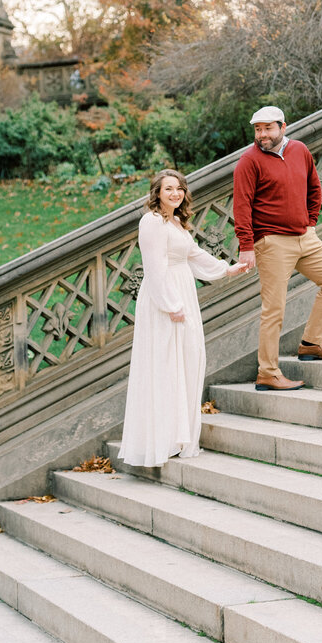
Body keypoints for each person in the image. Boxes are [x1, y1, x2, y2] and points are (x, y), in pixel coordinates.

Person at [119, 169, 248, 467]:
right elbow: (153, 267)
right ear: (157, 193)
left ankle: (180, 435)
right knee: (166, 363)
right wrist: (169, 304)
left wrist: (226, 269)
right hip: (165, 299)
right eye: (168, 189)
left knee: (189, 360)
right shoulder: (151, 222)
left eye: (179, 188)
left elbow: (193, 256)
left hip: (182, 292)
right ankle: (161, 439)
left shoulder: (176, 222)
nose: (175, 194)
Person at [233, 106, 322, 391]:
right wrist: (247, 246)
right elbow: (242, 207)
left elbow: (314, 187)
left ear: (284, 127)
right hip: (272, 243)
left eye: (268, 128)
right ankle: (268, 373)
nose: (262, 135)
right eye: (258, 129)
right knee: (274, 310)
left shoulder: (299, 150)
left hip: (305, 238)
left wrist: (310, 222)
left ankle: (311, 343)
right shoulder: (248, 162)